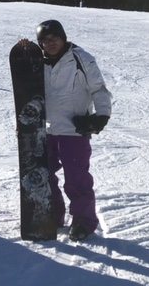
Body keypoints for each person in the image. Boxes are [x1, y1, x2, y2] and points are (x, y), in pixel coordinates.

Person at [21, 19, 112, 242]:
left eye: (55, 38)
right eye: (45, 41)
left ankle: (83, 221)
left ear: (63, 38)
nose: (51, 43)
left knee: (76, 179)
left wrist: (101, 116)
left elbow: (98, 89)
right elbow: (26, 92)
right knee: (45, 176)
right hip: (46, 130)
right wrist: (24, 51)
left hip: (74, 131)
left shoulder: (81, 58)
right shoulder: (38, 62)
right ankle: (53, 215)